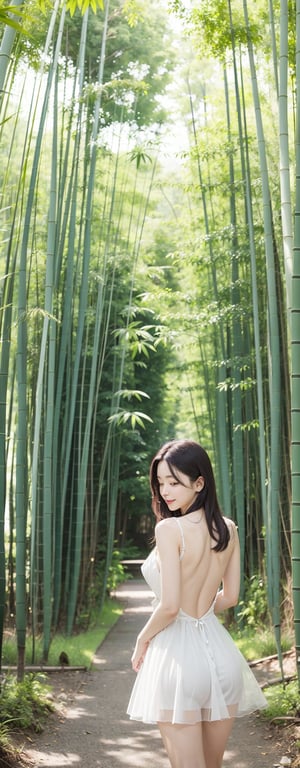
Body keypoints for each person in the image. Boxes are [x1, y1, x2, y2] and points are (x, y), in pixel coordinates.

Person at [127, 439, 267, 768]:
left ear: (199, 482)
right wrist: (201, 612)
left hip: (178, 661)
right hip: (222, 658)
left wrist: (142, 637)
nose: (165, 491)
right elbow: (230, 598)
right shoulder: (228, 529)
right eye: (160, 483)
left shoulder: (169, 529)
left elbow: (171, 606)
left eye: (174, 482)